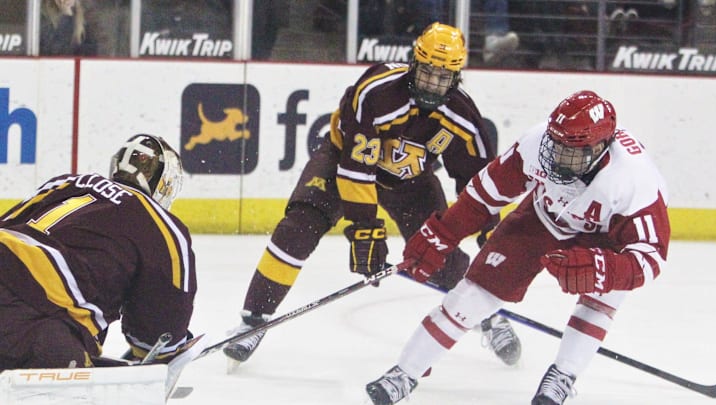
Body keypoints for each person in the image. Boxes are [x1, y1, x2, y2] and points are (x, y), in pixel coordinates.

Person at [223, 22, 521, 369]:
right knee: (299, 225)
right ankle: (253, 320)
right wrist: (364, 228)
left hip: (410, 182)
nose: (433, 84)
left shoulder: (464, 120)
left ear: (456, 78)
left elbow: (479, 187)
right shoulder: (377, 91)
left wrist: (490, 234)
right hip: (340, 163)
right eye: (427, 73)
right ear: (414, 64)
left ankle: (489, 315)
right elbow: (355, 169)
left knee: (442, 259)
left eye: (443, 78)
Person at [365, 90, 671, 405]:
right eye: (556, 145)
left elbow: (650, 258)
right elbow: (484, 194)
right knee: (471, 294)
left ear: (599, 148)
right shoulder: (538, 144)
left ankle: (563, 375)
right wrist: (442, 233)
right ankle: (405, 372)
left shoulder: (634, 181)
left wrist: (602, 269)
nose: (556, 157)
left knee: (599, 301)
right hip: (541, 218)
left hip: (604, 236)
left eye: (570, 152)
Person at [0, 134, 196, 371]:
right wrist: (163, 347)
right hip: (37, 313)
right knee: (66, 378)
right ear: (163, 183)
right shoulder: (160, 223)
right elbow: (162, 322)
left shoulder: (64, 183)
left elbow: (7, 223)